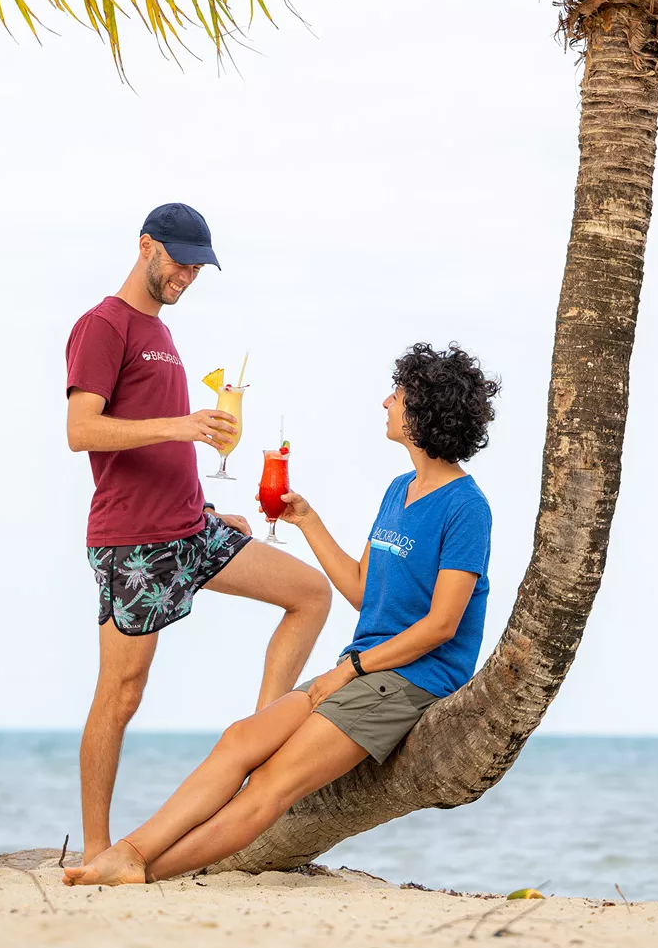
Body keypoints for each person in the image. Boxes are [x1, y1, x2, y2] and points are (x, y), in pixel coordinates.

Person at [64, 341, 497, 888]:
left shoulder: (466, 507)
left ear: (426, 412)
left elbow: (441, 626)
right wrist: (309, 521)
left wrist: (351, 671)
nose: (386, 402)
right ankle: (129, 851)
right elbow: (363, 592)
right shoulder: (400, 489)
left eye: (399, 395)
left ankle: (145, 872)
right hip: (364, 668)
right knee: (238, 741)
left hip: (410, 679)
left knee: (271, 785)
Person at [66, 202, 332, 865]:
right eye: (179, 260)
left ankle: (257, 739)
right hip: (133, 540)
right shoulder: (102, 325)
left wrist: (209, 511)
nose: (187, 274)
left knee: (310, 594)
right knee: (120, 694)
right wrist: (182, 425)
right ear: (146, 247)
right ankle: (97, 849)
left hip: (192, 528)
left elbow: (161, 443)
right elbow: (82, 431)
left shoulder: (160, 331)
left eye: (196, 266)